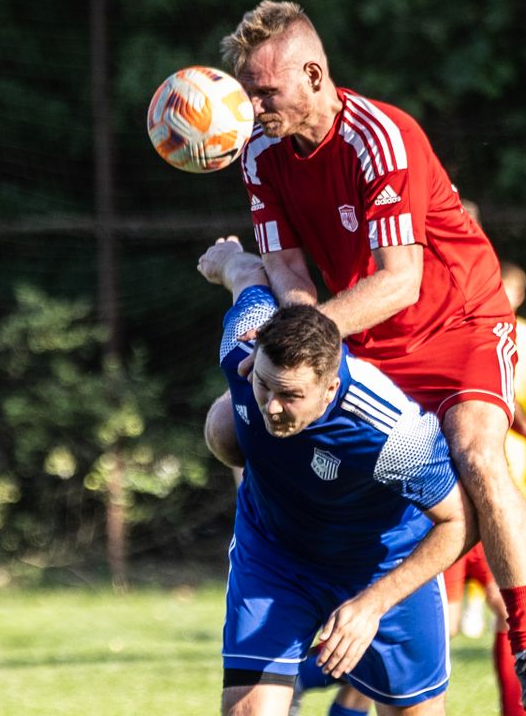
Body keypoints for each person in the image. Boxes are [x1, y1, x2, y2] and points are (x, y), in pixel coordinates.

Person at [215, 0, 526, 709]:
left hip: (457, 319)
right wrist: (292, 337)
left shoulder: (382, 135)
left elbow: (401, 279)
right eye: (247, 93)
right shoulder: (258, 151)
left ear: (313, 74)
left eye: (264, 92)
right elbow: (286, 268)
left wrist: (303, 337)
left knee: (474, 450)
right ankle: (328, 614)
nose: (252, 107)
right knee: (233, 424)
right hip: (363, 327)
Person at [198, 237, 471, 716]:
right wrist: (229, 261)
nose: (271, 405)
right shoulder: (243, 352)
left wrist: (374, 604)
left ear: (329, 390)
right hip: (276, 556)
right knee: (225, 426)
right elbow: (247, 280)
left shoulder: (390, 431)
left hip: (380, 564)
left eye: (290, 395)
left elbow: (459, 521)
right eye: (263, 385)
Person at [442, 260, 526, 716]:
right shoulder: (432, 319)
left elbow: (519, 397)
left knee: (504, 606)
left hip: (502, 487)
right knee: (427, 629)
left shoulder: (516, 334)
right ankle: (307, 678)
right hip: (440, 496)